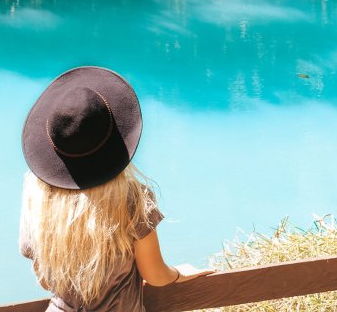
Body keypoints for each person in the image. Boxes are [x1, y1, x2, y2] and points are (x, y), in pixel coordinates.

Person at [19, 66, 212, 311]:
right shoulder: (131, 199)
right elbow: (154, 275)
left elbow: (44, 277)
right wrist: (179, 273)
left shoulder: (37, 196)